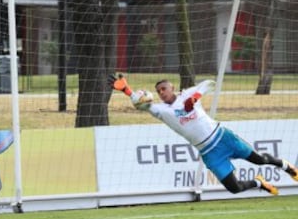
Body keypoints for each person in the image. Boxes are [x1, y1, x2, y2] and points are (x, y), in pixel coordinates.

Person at [109, 74, 298, 195]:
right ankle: (258, 183)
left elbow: (210, 83)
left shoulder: (187, 94)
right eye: (158, 91)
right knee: (234, 188)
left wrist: (194, 99)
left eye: (164, 89)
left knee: (259, 159)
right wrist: (127, 90)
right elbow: (141, 103)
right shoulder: (160, 110)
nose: (161, 93)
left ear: (172, 87)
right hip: (209, 152)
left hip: (223, 137)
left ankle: (286, 167)